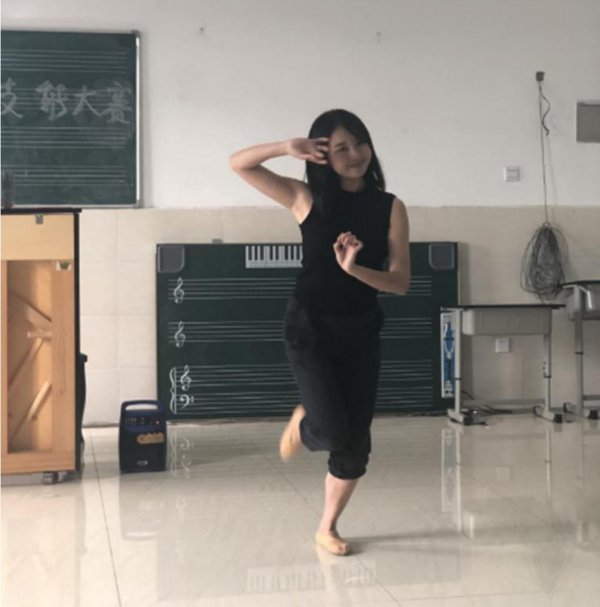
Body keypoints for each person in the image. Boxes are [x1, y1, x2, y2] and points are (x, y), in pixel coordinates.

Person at [229, 109, 410, 556]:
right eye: (341, 148)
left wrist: (355, 269)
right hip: (310, 327)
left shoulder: (390, 207)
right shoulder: (305, 197)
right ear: (323, 156)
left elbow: (401, 282)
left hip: (361, 332)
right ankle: (306, 423)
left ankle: (327, 527)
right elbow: (239, 164)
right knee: (331, 431)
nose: (355, 154)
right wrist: (284, 147)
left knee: (355, 447)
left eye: (360, 143)